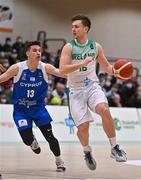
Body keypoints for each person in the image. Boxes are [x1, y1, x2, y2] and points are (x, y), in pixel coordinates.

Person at [59, 14, 127, 170]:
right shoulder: (69, 47)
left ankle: (114, 147)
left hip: (92, 86)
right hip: (75, 91)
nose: (73, 29)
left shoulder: (96, 47)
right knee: (83, 129)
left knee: (104, 109)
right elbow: (63, 69)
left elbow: (107, 67)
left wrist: (116, 72)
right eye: (72, 27)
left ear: (85, 29)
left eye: (76, 26)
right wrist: (81, 63)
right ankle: (87, 151)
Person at [0, 41, 66, 172]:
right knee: (27, 139)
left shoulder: (45, 67)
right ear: (27, 53)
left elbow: (62, 73)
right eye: (35, 50)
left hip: (39, 109)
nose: (38, 53)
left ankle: (59, 160)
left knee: (51, 137)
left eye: (39, 50)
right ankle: (32, 142)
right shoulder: (17, 68)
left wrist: (80, 73)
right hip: (21, 110)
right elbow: (2, 79)